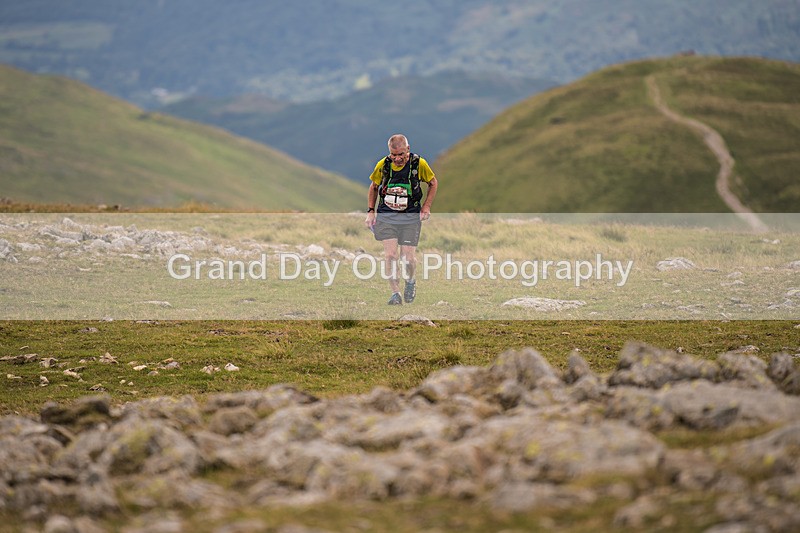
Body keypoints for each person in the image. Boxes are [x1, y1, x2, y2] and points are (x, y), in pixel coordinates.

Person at [365, 134, 438, 305]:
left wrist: (426, 206)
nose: (397, 159)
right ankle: (395, 293)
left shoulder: (418, 164)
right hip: (387, 216)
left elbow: (433, 183)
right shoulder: (383, 165)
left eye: (401, 154)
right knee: (390, 255)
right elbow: (374, 186)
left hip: (410, 217)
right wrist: (370, 211)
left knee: (408, 258)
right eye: (394, 155)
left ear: (408, 149)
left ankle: (410, 281)